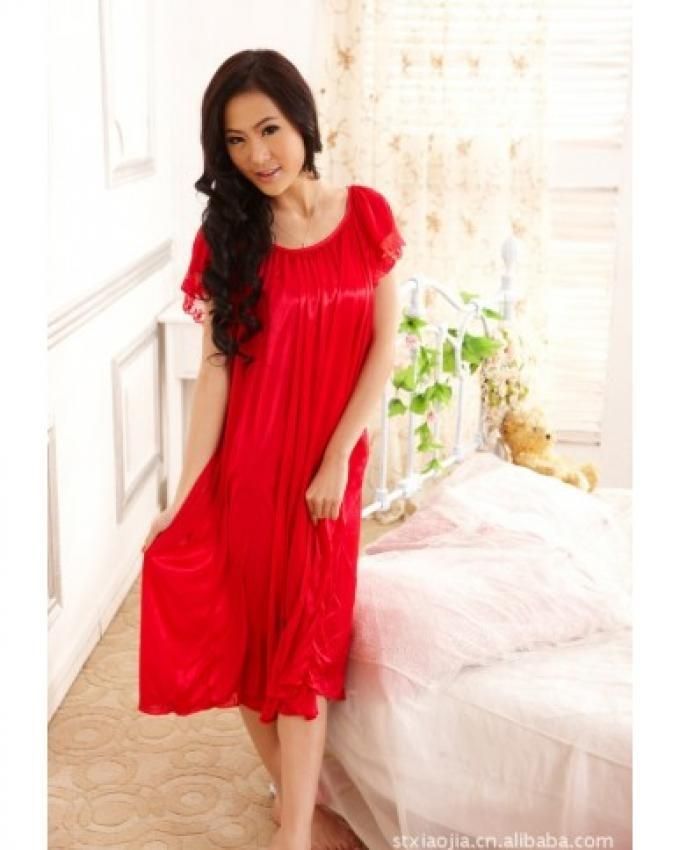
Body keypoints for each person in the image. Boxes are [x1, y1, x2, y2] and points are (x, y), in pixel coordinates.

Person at [137, 48, 405, 850]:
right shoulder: (228, 239)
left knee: (307, 650)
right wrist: (186, 494)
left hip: (326, 476)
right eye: (235, 140)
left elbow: (384, 348)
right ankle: (300, 818)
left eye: (268, 129)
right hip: (249, 472)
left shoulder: (366, 214)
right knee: (256, 649)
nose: (257, 154)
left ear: (302, 122)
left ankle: (292, 830)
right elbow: (216, 372)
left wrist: (337, 456)